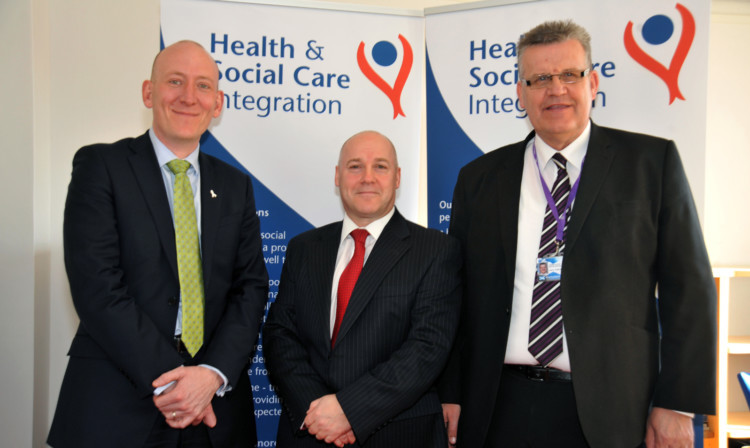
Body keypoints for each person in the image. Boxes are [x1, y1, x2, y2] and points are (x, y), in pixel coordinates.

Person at [439, 20, 716, 448]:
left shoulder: (651, 164)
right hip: (496, 407)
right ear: (521, 92)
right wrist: (451, 392)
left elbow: (689, 290)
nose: (556, 90)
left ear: (593, 83)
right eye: (540, 79)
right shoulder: (478, 179)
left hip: (614, 408)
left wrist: (678, 404)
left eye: (570, 75)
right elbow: (456, 297)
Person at [47, 40, 269, 448]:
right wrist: (177, 383)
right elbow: (97, 286)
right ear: (149, 91)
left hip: (216, 412)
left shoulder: (236, 186)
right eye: (174, 81)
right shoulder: (101, 167)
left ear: (217, 103)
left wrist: (210, 376)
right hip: (116, 403)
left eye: (203, 86)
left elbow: (250, 288)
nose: (188, 97)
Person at [263, 131, 462, 448]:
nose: (367, 178)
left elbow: (427, 348)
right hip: (310, 431)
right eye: (355, 166)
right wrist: (317, 409)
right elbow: (279, 334)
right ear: (337, 176)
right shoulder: (304, 248)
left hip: (397, 435)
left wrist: (349, 411)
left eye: (380, 167)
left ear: (397, 177)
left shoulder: (435, 251)